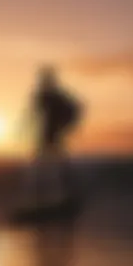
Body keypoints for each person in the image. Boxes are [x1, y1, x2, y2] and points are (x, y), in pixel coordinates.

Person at [22, 65, 85, 203]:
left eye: (47, 79)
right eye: (44, 79)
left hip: (53, 134)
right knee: (41, 164)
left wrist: (67, 126)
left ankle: (67, 195)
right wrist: (23, 129)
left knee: (57, 163)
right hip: (46, 134)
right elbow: (31, 115)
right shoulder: (41, 95)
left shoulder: (57, 96)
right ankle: (39, 198)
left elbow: (75, 109)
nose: (45, 82)